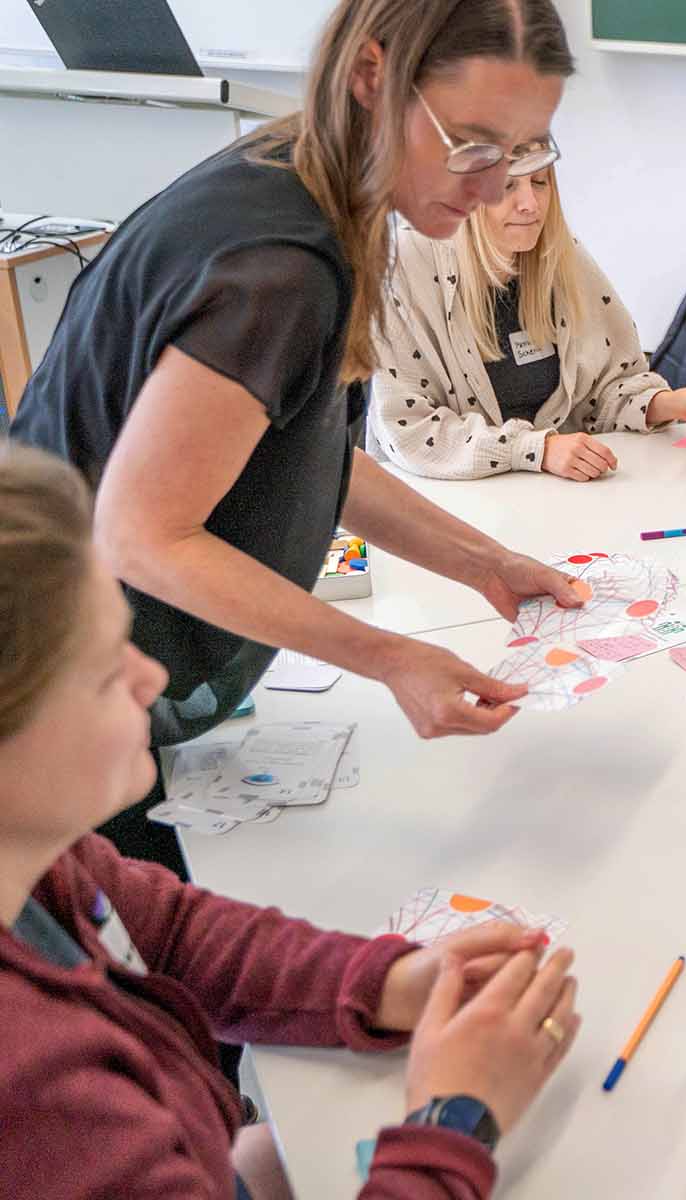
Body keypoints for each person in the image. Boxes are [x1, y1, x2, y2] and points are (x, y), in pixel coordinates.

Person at [10, 0, 591, 873]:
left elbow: (307, 449)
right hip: (47, 688)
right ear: (371, 77)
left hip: (95, 669)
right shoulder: (277, 265)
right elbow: (141, 532)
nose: (492, 186)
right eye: (471, 143)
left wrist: (485, 563)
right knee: (129, 962)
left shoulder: (310, 178)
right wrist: (391, 657)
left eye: (522, 151)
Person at [0, 444, 580, 1199]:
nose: (152, 679)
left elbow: (169, 932)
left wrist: (389, 980)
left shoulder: (41, 865)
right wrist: (454, 1117)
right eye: (110, 669)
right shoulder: (37, 1093)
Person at [370, 164, 686, 481]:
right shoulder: (407, 265)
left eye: (540, 182)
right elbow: (410, 430)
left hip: (555, 502)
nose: (530, 204)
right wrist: (537, 450)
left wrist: (673, 403)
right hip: (450, 510)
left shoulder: (560, 257)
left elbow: (605, 388)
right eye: (508, 186)